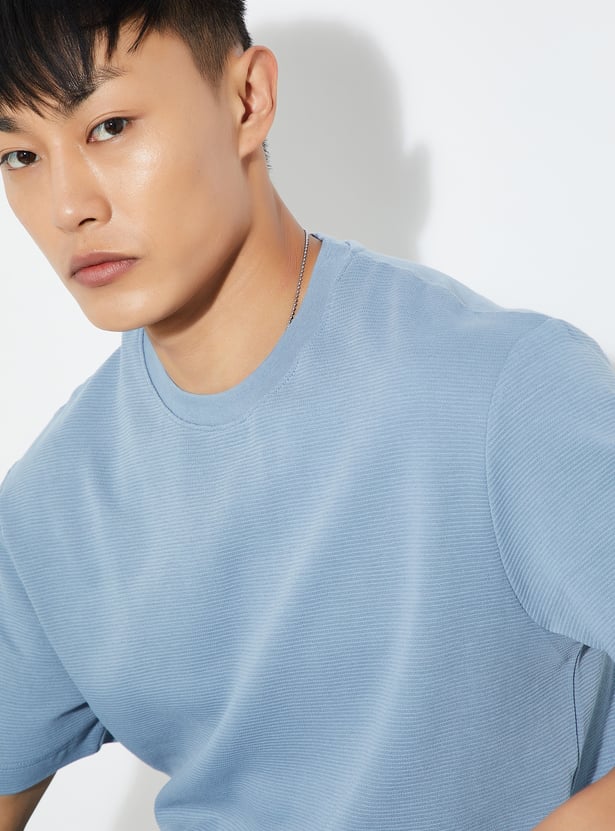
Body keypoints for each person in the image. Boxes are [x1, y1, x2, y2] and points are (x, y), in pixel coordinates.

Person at [0, 1, 613, 829]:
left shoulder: (502, 389)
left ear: (247, 100)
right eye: (20, 154)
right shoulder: (52, 503)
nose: (66, 204)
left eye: (109, 126)